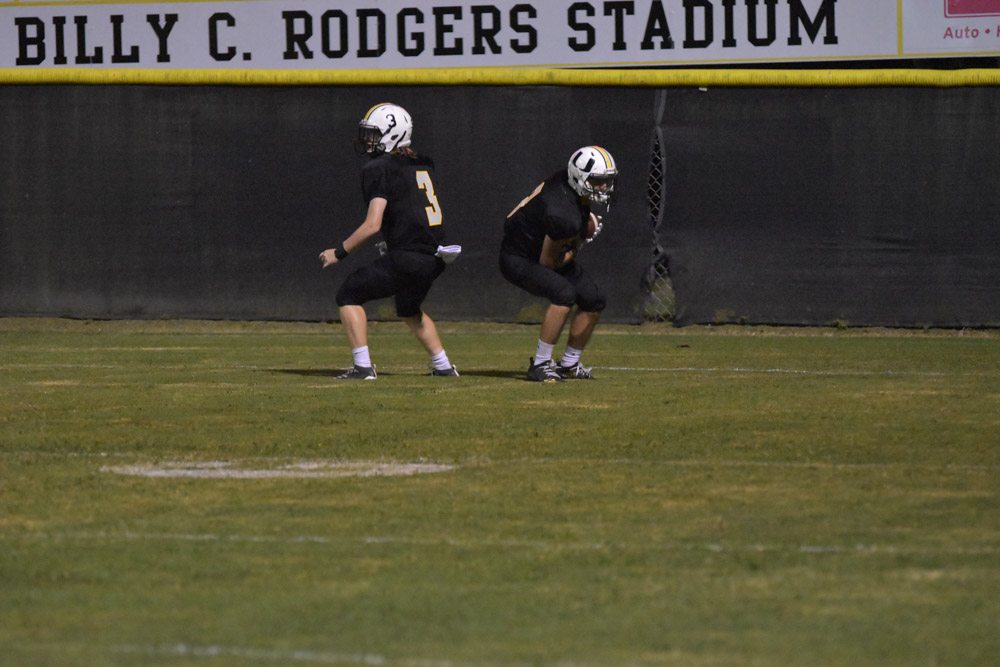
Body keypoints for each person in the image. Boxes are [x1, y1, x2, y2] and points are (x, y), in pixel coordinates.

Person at [319, 103, 460, 380]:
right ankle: (443, 367)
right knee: (408, 308)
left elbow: (372, 225)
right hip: (436, 256)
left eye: (373, 134)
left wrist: (339, 252)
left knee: (348, 295)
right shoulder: (422, 162)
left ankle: (362, 368)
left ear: (393, 134)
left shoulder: (379, 168)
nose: (367, 140)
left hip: (410, 256)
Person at [499, 146, 618, 382]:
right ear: (579, 177)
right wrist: (581, 240)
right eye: (597, 181)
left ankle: (569, 364)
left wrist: (581, 227)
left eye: (606, 181)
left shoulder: (568, 185)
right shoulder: (562, 213)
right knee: (563, 294)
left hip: (540, 248)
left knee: (594, 299)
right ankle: (540, 364)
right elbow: (548, 263)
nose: (603, 188)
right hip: (518, 258)